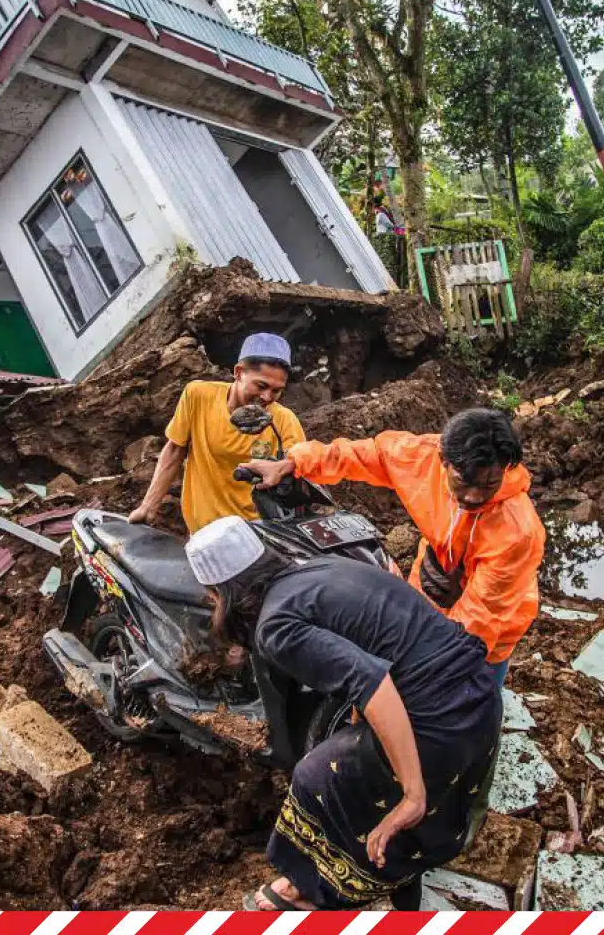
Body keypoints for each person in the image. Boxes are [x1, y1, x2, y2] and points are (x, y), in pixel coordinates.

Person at [184, 515, 502, 911]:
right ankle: (400, 881)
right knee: (357, 766)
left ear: (220, 594)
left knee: (314, 777)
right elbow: (373, 651)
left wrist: (412, 794)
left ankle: (312, 893)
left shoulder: (274, 627)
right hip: (481, 700)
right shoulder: (319, 568)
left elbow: (373, 683)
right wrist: (360, 721)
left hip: (440, 722)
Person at [240, 408, 545, 684]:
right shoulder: (421, 457)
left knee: (470, 695)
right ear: (443, 460)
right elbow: (365, 454)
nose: (475, 496)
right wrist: (293, 462)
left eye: (489, 485)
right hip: (431, 586)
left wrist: (424, 669)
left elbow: (478, 627)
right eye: (463, 483)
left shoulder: (517, 532)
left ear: (505, 469)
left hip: (490, 629)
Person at [128, 333, 305, 533]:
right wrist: (148, 506)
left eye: (276, 391)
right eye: (261, 386)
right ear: (238, 372)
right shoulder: (198, 396)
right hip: (202, 532)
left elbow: (299, 467)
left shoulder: (283, 420)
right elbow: (175, 449)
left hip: (255, 534)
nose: (267, 397)